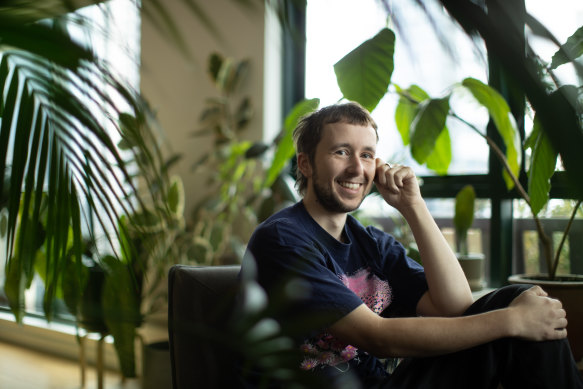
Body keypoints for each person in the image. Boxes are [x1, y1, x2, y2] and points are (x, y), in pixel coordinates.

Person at [238, 101, 583, 388]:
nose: (357, 167)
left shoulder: (372, 243)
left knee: (519, 300)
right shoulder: (283, 239)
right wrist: (511, 321)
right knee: (513, 313)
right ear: (306, 163)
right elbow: (377, 338)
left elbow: (456, 306)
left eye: (367, 154)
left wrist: (413, 207)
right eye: (341, 152)